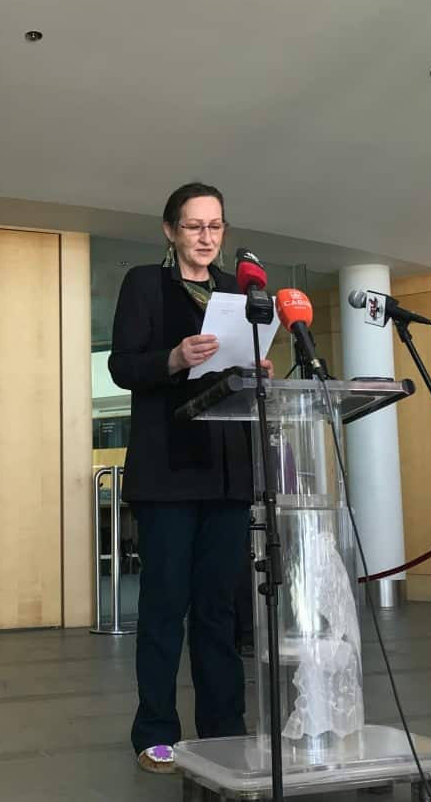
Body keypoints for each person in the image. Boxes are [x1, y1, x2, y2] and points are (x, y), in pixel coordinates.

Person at [108, 182, 270, 774]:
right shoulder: (144, 285)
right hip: (168, 471)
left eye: (216, 226)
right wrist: (174, 359)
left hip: (227, 470)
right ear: (171, 231)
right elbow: (122, 365)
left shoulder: (239, 292)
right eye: (195, 226)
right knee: (164, 607)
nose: (207, 237)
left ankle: (224, 728)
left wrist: (257, 368)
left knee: (219, 612)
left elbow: (236, 368)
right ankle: (155, 731)